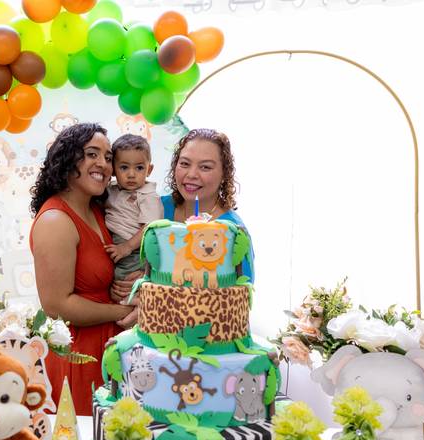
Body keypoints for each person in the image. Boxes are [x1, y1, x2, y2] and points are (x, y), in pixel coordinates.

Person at [30, 123, 134, 415]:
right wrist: (123, 311)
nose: (103, 164)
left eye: (108, 157)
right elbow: (56, 306)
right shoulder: (55, 220)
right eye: (92, 154)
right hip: (78, 354)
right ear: (67, 159)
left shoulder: (97, 211)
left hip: (109, 346)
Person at [110, 128, 255, 303]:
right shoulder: (156, 207)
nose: (191, 174)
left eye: (205, 167)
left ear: (224, 173)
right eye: (185, 164)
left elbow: (239, 302)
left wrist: (152, 296)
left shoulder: (233, 233)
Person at [103, 134, 163, 283]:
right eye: (124, 167)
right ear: (113, 170)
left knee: (124, 280)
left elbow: (150, 227)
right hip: (115, 243)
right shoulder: (111, 189)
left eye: (139, 168)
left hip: (135, 249)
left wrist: (127, 247)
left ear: (149, 170)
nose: (131, 174)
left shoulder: (148, 195)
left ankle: (128, 297)